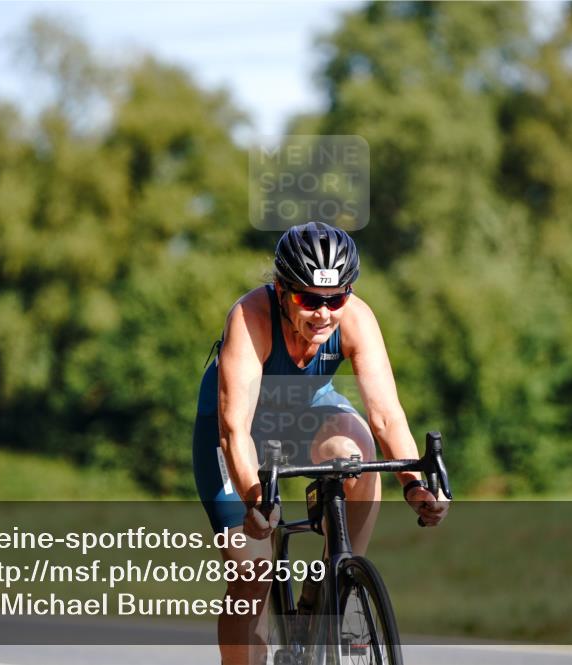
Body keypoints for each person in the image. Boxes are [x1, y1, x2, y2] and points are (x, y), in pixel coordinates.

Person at [192, 221, 449, 665]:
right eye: (308, 298)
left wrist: (414, 482)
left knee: (356, 452)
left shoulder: (356, 320)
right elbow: (234, 428)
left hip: (307, 413)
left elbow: (387, 415)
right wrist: (257, 501)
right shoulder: (250, 317)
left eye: (335, 299)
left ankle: (339, 586)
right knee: (252, 573)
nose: (323, 313)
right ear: (280, 289)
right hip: (236, 432)